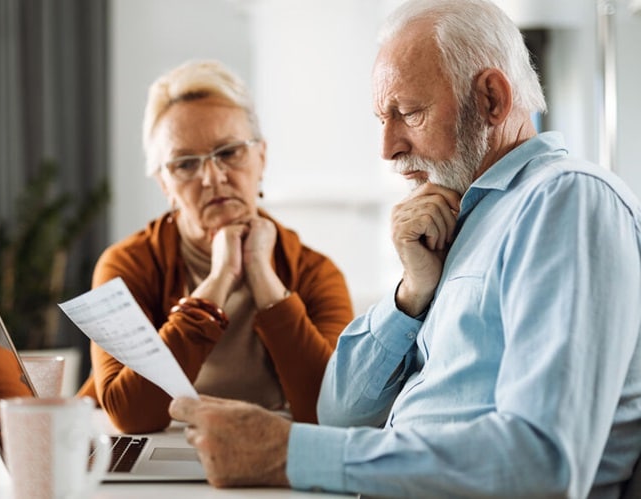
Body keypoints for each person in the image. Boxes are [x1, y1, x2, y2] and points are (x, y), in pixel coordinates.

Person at [168, 0, 641, 497]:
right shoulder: (459, 220)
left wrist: (287, 454)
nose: (387, 148)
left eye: (409, 113)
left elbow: (543, 463)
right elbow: (340, 413)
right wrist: (411, 294)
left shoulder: (566, 201)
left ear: (492, 100)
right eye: (381, 119)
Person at [81, 60, 354, 434]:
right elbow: (133, 416)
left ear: (262, 157)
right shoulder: (127, 265)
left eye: (229, 152)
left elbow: (330, 412)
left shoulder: (314, 272)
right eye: (185, 164)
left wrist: (261, 275)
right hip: (159, 454)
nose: (212, 178)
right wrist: (219, 279)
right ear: (164, 184)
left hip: (266, 450)